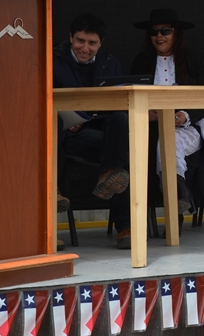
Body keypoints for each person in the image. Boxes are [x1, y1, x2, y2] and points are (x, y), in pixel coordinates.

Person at [129, 9, 204, 217]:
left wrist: (185, 115)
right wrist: (145, 113)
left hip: (188, 127)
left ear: (176, 33)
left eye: (166, 30)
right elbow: (129, 96)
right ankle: (178, 196)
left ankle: (176, 197)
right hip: (149, 128)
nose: (159, 36)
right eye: (154, 31)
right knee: (162, 138)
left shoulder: (193, 59)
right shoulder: (141, 61)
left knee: (169, 138)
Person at [53, 13, 133, 249]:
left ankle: (110, 176)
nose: (85, 48)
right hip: (63, 134)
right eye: (80, 41)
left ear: (101, 43)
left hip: (96, 131)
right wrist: (68, 117)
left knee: (121, 128)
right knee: (117, 153)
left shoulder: (109, 62)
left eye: (92, 43)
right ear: (70, 37)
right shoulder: (53, 58)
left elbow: (117, 103)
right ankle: (53, 198)